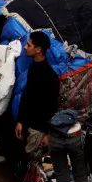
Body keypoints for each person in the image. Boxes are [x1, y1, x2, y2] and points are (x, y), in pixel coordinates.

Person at [15, 31, 60, 160]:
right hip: (28, 126)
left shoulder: (50, 77)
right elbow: (27, 97)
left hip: (38, 130)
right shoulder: (34, 69)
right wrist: (20, 121)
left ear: (38, 49)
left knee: (35, 163)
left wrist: (47, 134)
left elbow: (52, 108)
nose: (25, 47)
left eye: (28, 45)